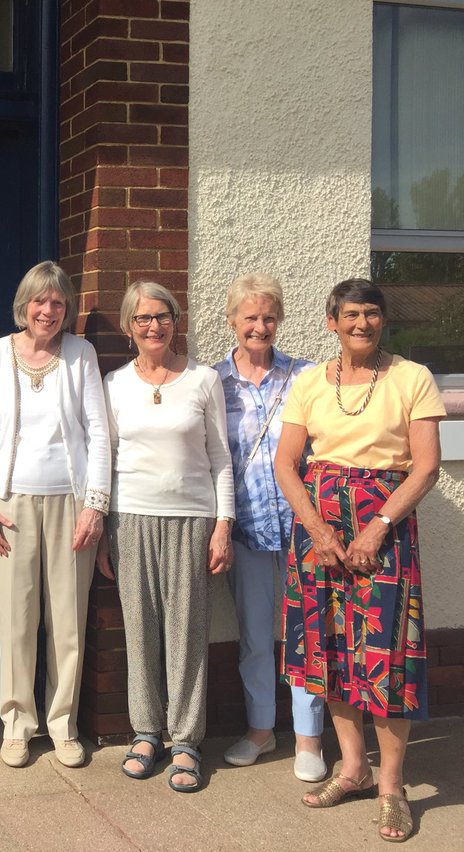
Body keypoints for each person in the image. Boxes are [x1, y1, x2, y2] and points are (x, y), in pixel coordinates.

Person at [275, 278, 443, 842]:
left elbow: (424, 466)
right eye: (350, 315)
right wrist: (318, 529)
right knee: (329, 649)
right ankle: (353, 768)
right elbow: (286, 464)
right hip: (318, 534)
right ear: (332, 321)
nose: (361, 324)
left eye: (371, 314)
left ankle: (393, 787)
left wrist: (375, 528)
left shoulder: (411, 377)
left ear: (383, 319)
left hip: (384, 531)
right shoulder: (308, 382)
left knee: (385, 652)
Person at [0, 261, 110, 769]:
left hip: (71, 504)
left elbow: (98, 432)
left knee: (67, 621)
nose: (48, 311)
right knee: (17, 619)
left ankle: (62, 724)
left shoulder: (81, 353)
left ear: (66, 308)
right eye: (39, 301)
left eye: (57, 302)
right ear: (23, 305)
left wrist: (95, 505)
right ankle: (16, 723)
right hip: (10, 504)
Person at [100, 280, 234, 792]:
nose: (152, 326)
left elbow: (221, 457)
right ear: (129, 326)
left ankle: (185, 742)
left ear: (176, 321)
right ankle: (145, 733)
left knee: (187, 634)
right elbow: (106, 460)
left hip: (192, 520)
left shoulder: (203, 380)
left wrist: (223, 524)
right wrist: (105, 530)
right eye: (141, 318)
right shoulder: (113, 383)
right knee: (141, 631)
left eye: (161, 316)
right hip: (131, 518)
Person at [215, 274, 327, 781]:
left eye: (268, 317)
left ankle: (309, 739)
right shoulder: (214, 382)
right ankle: (261, 730)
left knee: (307, 636)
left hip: (305, 530)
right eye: (250, 317)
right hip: (249, 532)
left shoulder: (307, 377)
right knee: (257, 638)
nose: (259, 326)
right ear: (232, 321)